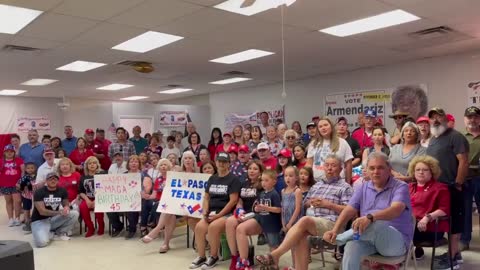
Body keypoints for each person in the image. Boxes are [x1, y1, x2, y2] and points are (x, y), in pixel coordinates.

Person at [255, 154, 353, 270]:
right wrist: (312, 202)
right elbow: (305, 203)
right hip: (313, 223)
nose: (329, 168)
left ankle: (275, 255)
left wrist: (328, 205)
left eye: (333, 165)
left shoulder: (345, 187)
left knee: (304, 221)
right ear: (323, 167)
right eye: (327, 165)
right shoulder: (317, 185)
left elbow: (349, 211)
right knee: (301, 235)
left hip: (332, 225)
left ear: (341, 169)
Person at [323, 152, 413, 270]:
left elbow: (395, 210)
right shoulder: (363, 186)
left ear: (389, 169)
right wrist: (334, 230)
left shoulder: (401, 186)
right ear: (367, 170)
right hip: (369, 239)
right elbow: (349, 209)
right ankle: (338, 237)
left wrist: (370, 217)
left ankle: (340, 239)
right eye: (372, 168)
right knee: (351, 247)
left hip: (395, 243)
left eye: (380, 167)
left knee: (376, 222)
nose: (376, 171)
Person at [425, 107, 469, 269]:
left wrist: (458, 183)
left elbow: (463, 161)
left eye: (439, 116)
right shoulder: (433, 138)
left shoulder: (455, 137)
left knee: (455, 223)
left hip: (452, 187)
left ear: (445, 118)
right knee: (446, 222)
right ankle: (455, 253)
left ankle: (452, 258)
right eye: (432, 117)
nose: (435, 120)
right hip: (438, 188)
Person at [189, 152, 241, 269]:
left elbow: (233, 201)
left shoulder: (233, 179)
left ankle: (213, 256)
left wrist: (219, 216)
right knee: (199, 227)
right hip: (211, 213)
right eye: (219, 161)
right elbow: (206, 197)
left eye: (224, 161)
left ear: (229, 164)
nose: (221, 164)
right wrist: (205, 212)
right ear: (216, 162)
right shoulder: (212, 178)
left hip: (226, 214)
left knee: (213, 227)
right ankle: (201, 256)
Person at [236, 170, 282, 270]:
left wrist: (266, 208)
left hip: (273, 224)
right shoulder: (262, 194)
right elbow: (258, 208)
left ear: (274, 181)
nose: (263, 183)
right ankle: (271, 263)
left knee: (274, 245)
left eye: (266, 180)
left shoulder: (274, 194)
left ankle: (275, 264)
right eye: (262, 180)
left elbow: (278, 209)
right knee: (270, 244)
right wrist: (257, 209)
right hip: (264, 223)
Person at [408, 155, 450, 260]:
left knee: (400, 229)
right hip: (411, 224)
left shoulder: (440, 188)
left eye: (425, 170)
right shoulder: (409, 187)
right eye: (417, 169)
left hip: (430, 228)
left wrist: (427, 217)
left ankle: (396, 256)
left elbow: (444, 209)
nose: (421, 172)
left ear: (432, 171)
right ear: (413, 172)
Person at [225, 160, 264, 269]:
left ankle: (244, 262)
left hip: (258, 215)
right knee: (229, 222)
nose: (252, 171)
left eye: (255, 169)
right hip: (245, 213)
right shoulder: (244, 183)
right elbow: (240, 200)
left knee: (240, 229)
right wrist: (239, 209)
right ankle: (234, 257)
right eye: (250, 168)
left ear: (260, 172)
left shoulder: (262, 184)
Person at [30, 172, 80, 247]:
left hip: (53, 219)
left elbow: (65, 203)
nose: (53, 181)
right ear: (46, 181)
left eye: (55, 179)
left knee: (74, 214)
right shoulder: (39, 192)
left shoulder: (62, 190)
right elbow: (42, 212)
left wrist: (66, 207)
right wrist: (60, 212)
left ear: (58, 181)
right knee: (42, 243)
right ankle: (48, 233)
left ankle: (59, 233)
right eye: (50, 179)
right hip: (39, 221)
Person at [141, 159, 177, 253]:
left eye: (165, 165)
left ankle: (156, 230)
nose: (163, 166)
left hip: (174, 203)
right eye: (161, 165)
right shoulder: (159, 179)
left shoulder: (174, 178)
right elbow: (154, 195)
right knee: (170, 215)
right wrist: (146, 196)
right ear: (159, 168)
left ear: (169, 167)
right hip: (162, 204)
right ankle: (166, 244)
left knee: (168, 209)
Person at [307, 117, 353, 183]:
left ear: (331, 126)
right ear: (318, 130)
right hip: (317, 183)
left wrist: (348, 182)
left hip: (338, 183)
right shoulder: (313, 144)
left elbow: (348, 164)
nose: (323, 128)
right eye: (320, 126)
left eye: (326, 125)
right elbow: (309, 164)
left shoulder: (342, 143)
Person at [460, 106, 480, 251]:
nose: (472, 120)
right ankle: (464, 240)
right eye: (470, 117)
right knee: (465, 210)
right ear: (465, 119)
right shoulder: (459, 136)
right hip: (465, 178)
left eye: (476, 117)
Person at [281, 166, 304, 269]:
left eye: (291, 176)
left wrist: (290, 223)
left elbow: (298, 208)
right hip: (286, 221)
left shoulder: (297, 191)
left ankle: (297, 266)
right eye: (286, 176)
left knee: (297, 245)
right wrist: (283, 223)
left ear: (296, 178)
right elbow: (282, 208)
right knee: (291, 245)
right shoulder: (283, 191)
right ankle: (294, 265)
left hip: (295, 221)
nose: (288, 178)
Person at [78, 156, 105, 237]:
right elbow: (81, 192)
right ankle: (91, 228)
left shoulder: (102, 174)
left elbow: (105, 189)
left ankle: (101, 226)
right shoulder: (83, 177)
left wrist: (95, 200)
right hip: (88, 198)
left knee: (98, 208)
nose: (92, 165)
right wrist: (87, 200)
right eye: (90, 163)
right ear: (87, 165)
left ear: (97, 165)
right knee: (83, 207)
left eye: (94, 163)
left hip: (100, 197)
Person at [0, 144, 24, 226]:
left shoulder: (19, 160)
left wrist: (20, 182)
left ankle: (17, 218)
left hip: (16, 184)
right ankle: (10, 218)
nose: (9, 153)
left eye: (11, 151)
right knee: (8, 201)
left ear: (14, 152)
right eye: (7, 151)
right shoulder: (1, 161)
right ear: (4, 152)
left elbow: (23, 172)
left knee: (17, 201)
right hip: (5, 184)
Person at [17, 162, 37, 232]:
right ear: (25, 169)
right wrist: (22, 187)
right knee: (26, 208)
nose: (30, 169)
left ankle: (34, 220)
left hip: (35, 196)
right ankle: (27, 220)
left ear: (35, 168)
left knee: (35, 208)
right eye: (28, 168)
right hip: (26, 196)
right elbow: (18, 185)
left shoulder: (37, 176)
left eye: (32, 168)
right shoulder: (24, 177)